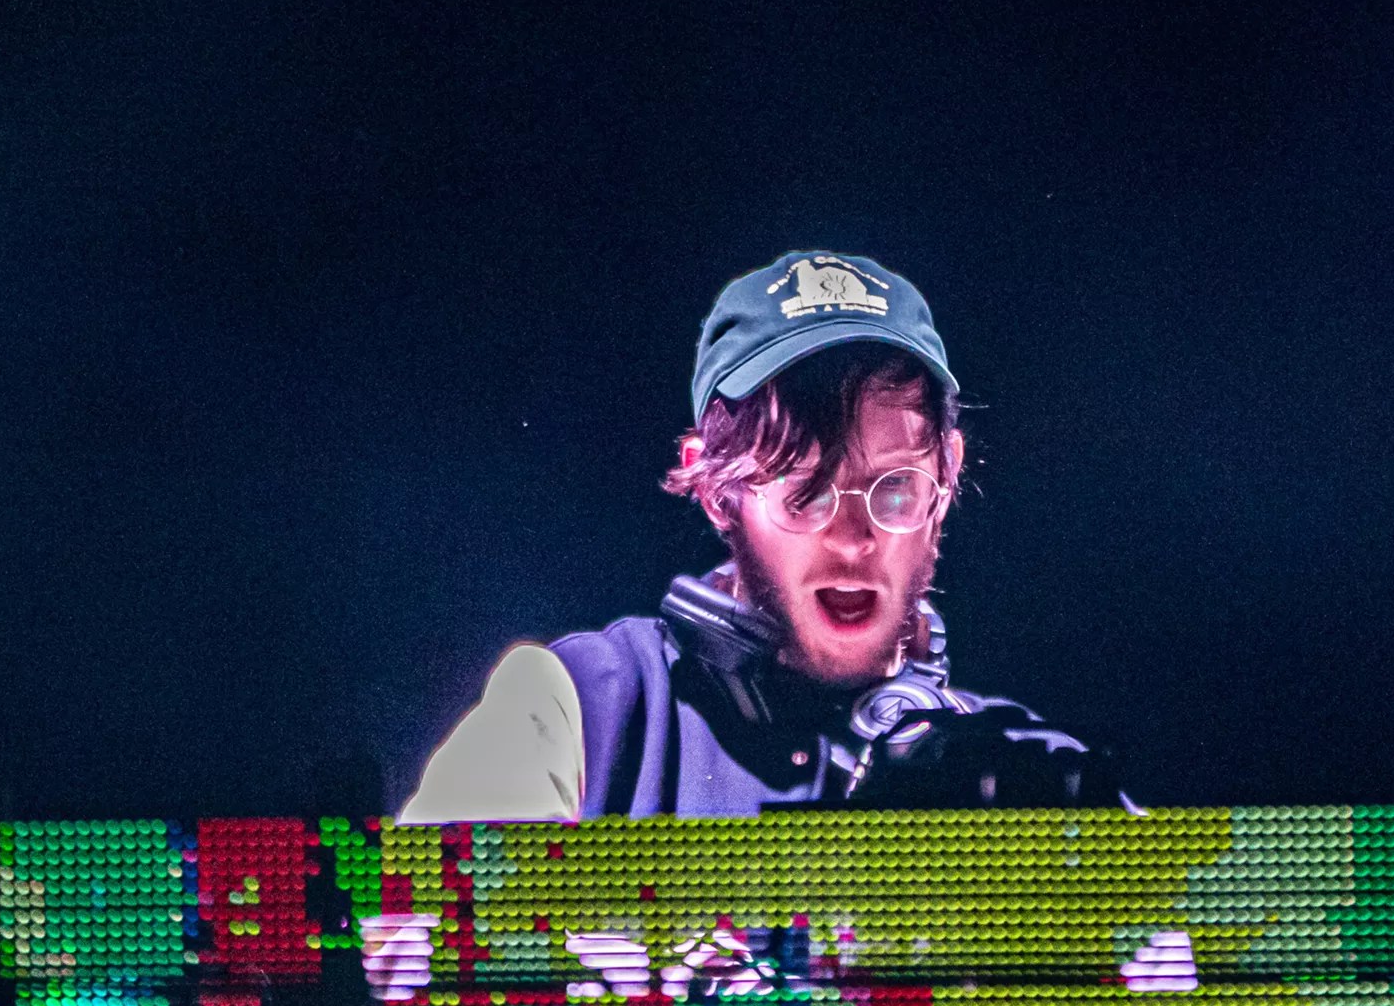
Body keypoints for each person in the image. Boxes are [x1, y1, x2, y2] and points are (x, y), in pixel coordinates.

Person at [400, 250, 1115, 821]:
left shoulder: (1036, 774)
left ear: (948, 478)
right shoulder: (577, 707)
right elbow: (406, 967)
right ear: (716, 490)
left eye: (895, 488)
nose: (856, 537)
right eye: (807, 491)